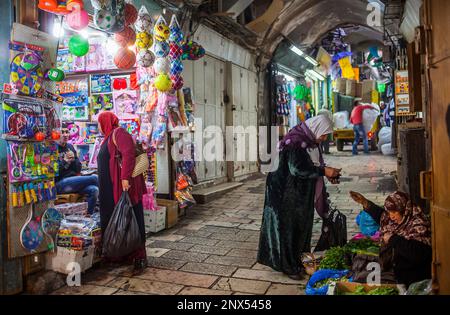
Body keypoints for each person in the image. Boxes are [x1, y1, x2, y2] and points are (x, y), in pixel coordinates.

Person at [257, 115, 341, 280]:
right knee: (288, 229)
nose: (324, 138)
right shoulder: (295, 142)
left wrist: (325, 171)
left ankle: (298, 261)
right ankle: (289, 266)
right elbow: (297, 169)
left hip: (298, 194)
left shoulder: (308, 142)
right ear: (315, 129)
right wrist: (324, 171)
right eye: (323, 134)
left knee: (301, 227)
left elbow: (312, 164)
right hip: (284, 194)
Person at [97, 111, 147, 272]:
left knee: (132, 216)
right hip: (110, 188)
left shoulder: (119, 133)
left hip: (123, 186)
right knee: (117, 219)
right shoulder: (107, 137)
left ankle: (139, 256)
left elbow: (128, 154)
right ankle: (118, 254)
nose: (98, 126)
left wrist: (125, 178)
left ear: (105, 122)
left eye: (99, 123)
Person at [349, 191, 432, 287]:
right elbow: (381, 216)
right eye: (389, 212)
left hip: (410, 277)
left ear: (404, 209)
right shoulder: (396, 219)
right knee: (359, 265)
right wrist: (364, 202)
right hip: (394, 267)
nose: (391, 216)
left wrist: (393, 239)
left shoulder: (419, 225)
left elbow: (417, 254)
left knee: (365, 279)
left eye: (394, 212)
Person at [55, 124, 99, 214]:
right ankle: (108, 206)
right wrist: (65, 161)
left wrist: (74, 158)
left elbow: (78, 169)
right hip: (60, 183)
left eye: (67, 132)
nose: (65, 135)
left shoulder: (70, 147)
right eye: (62, 132)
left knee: (94, 190)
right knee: (95, 178)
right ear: (57, 133)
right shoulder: (53, 148)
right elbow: (54, 172)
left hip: (73, 182)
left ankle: (88, 217)